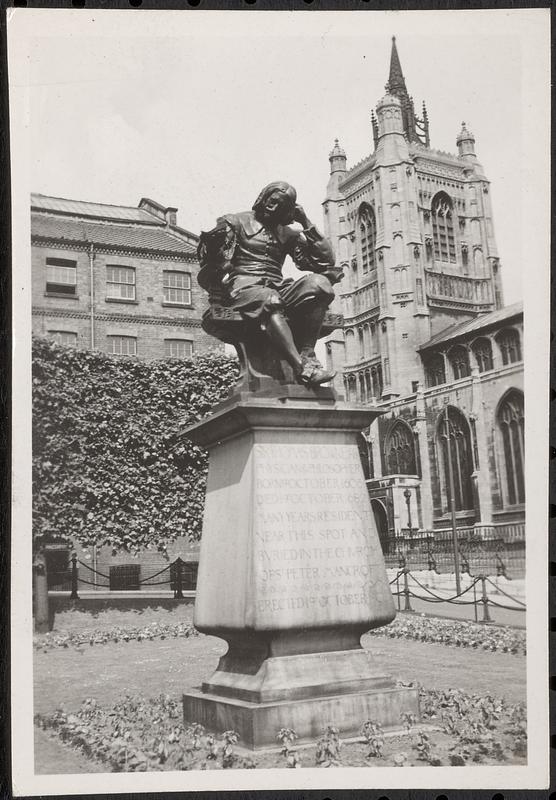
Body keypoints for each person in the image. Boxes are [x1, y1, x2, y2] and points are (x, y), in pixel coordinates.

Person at [197, 181, 343, 386]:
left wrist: (305, 222)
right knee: (271, 299)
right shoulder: (235, 222)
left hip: (277, 287)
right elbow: (213, 259)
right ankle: (302, 369)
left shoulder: (288, 233)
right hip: (244, 288)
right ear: (263, 198)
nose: (272, 207)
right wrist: (220, 264)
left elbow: (325, 261)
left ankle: (308, 355)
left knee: (321, 285)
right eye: (272, 201)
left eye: (281, 206)